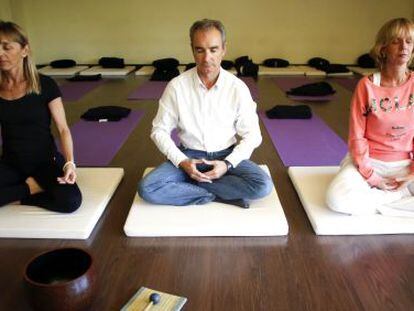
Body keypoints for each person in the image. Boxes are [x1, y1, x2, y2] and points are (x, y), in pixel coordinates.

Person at [138, 19, 272, 208]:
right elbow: (158, 130)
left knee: (263, 186)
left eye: (213, 49)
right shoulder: (176, 86)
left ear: (224, 49)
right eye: (200, 50)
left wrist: (227, 164)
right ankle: (217, 193)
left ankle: (190, 186)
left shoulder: (237, 88)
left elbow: (253, 135)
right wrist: (182, 161)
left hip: (226, 153)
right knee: (147, 188)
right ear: (192, 50)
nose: (207, 57)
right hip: (189, 154)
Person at [326, 18, 414, 215]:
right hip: (368, 161)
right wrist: (373, 178)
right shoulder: (366, 86)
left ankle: (383, 199)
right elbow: (357, 138)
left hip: (405, 166)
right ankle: (398, 198)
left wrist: (411, 175)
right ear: (383, 48)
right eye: (396, 41)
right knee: (336, 199)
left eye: (409, 41)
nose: (403, 47)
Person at [0, 21, 82, 212]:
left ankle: (21, 195)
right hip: (11, 163)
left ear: (24, 50)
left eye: (6, 47)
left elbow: (63, 129)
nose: (0, 54)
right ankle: (32, 187)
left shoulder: (45, 84)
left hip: (45, 161)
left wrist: (70, 163)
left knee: (70, 202)